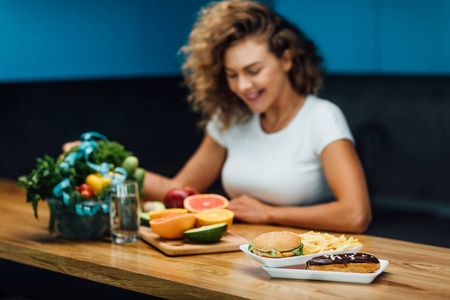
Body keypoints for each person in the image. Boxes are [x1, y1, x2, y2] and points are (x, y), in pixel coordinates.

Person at [64, 0, 371, 233]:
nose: (243, 86)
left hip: (306, 258)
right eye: (232, 74)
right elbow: (180, 190)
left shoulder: (322, 118)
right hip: (240, 253)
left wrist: (269, 213)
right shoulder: (231, 118)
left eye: (253, 71)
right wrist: (108, 168)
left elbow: (355, 214)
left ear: (287, 59)